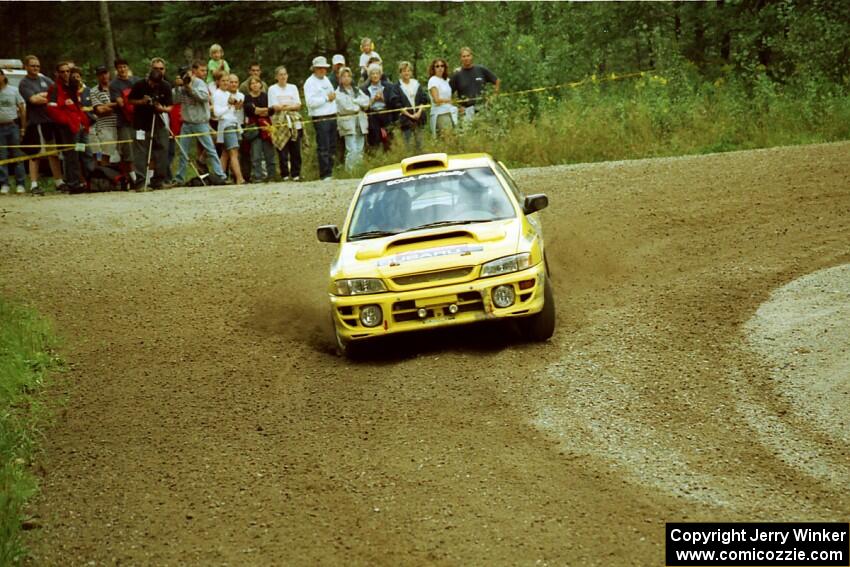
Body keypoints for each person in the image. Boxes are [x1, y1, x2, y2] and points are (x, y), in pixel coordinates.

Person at [173, 61, 227, 186]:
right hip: (186, 123)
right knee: (183, 151)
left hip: (200, 122)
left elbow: (204, 98)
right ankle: (179, 178)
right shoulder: (180, 85)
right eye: (184, 74)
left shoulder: (200, 83)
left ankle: (221, 175)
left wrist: (190, 88)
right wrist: (177, 87)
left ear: (192, 73)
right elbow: (174, 100)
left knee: (210, 149)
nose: (186, 76)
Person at [18, 55, 64, 194]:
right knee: (35, 154)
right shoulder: (24, 83)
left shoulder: (45, 79)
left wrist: (43, 96)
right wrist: (47, 97)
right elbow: (33, 100)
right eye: (32, 65)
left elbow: (57, 94)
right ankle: (33, 184)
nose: (35, 68)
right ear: (26, 67)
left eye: (37, 66)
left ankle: (59, 182)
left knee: (53, 153)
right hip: (35, 122)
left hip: (50, 121)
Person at [46, 61, 89, 193]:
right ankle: (73, 183)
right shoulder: (54, 88)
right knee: (71, 155)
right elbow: (51, 109)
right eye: (62, 71)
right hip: (67, 128)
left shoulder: (72, 86)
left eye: (67, 71)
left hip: (79, 126)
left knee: (81, 153)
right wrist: (66, 121)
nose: (65, 74)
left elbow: (77, 106)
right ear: (57, 73)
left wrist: (82, 121)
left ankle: (84, 181)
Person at [127, 69, 173, 189]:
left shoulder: (166, 86)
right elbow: (130, 100)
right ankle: (140, 182)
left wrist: (162, 109)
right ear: (148, 78)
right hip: (141, 123)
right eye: (151, 82)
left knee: (162, 149)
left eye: (155, 83)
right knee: (140, 153)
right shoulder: (139, 84)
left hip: (159, 121)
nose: (153, 85)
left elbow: (170, 107)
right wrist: (142, 101)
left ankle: (158, 180)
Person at [304, 56, 337, 180]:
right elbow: (310, 102)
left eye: (324, 68)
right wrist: (326, 99)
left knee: (332, 146)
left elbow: (332, 95)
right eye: (320, 68)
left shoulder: (327, 80)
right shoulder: (310, 82)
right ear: (314, 69)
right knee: (323, 146)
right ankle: (325, 174)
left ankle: (331, 171)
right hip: (320, 117)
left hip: (332, 115)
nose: (323, 70)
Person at [267, 66, 303, 181]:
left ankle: (296, 173)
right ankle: (285, 174)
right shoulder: (272, 89)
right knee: (282, 149)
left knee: (295, 148)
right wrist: (288, 106)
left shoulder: (293, 87)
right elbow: (275, 106)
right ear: (276, 77)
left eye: (284, 74)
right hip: (279, 120)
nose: (283, 77)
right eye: (280, 74)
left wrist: (287, 107)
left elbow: (298, 105)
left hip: (293, 119)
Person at [109, 57, 141, 184]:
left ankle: (144, 176)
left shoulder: (137, 80)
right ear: (117, 69)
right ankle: (133, 178)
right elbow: (120, 103)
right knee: (128, 150)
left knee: (140, 147)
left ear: (128, 67)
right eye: (120, 67)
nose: (122, 69)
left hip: (139, 120)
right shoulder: (114, 85)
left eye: (124, 67)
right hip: (124, 122)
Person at [450, 46, 500, 123]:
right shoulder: (457, 74)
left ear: (472, 56)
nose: (466, 58)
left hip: (483, 108)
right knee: (469, 134)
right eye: (464, 56)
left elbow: (497, 81)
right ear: (461, 58)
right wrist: (457, 107)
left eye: (468, 55)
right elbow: (448, 93)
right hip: (466, 111)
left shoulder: (480, 69)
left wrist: (493, 98)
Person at [212, 74, 245, 184]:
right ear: (218, 82)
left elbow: (232, 111)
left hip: (233, 122)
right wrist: (228, 106)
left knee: (226, 153)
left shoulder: (228, 94)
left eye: (227, 81)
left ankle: (221, 177)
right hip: (226, 124)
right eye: (223, 81)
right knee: (233, 152)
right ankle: (240, 178)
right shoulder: (217, 94)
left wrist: (236, 107)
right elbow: (217, 113)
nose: (226, 83)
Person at [335, 67, 369, 172]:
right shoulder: (338, 92)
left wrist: (354, 101)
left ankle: (359, 170)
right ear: (340, 78)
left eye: (348, 76)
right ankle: (350, 171)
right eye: (343, 76)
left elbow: (366, 101)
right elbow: (345, 107)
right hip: (347, 123)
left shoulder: (356, 90)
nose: (346, 78)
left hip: (360, 122)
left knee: (360, 148)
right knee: (352, 149)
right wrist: (358, 105)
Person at [0, 69, 27, 194]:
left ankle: (20, 183)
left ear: (3, 76)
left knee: (17, 155)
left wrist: (22, 127)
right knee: (2, 156)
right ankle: (4, 184)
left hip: (12, 126)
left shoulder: (13, 90)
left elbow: (22, 109)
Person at [243, 77, 275, 182]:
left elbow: (271, 110)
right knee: (256, 155)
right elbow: (250, 110)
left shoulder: (266, 96)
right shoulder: (247, 98)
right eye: (252, 83)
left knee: (269, 154)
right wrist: (260, 110)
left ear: (261, 84)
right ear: (249, 86)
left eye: (257, 82)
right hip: (254, 128)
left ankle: (272, 176)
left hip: (266, 127)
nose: (255, 85)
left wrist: (258, 110)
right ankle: (258, 177)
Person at [362, 63, 398, 151]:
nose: (375, 75)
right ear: (369, 75)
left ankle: (389, 155)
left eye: (377, 73)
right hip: (372, 115)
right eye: (372, 73)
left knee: (389, 139)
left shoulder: (389, 86)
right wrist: (373, 99)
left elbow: (394, 103)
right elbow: (364, 106)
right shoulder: (364, 88)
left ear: (380, 74)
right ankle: (376, 156)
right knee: (375, 139)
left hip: (386, 114)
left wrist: (383, 99)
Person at [395, 61, 428, 152]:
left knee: (420, 145)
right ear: (400, 73)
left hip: (419, 118)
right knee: (408, 146)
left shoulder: (416, 84)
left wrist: (419, 112)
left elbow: (424, 99)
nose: (406, 73)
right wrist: (410, 116)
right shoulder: (397, 86)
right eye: (404, 71)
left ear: (411, 72)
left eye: (408, 71)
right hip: (406, 120)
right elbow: (397, 104)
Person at [89, 65, 119, 166]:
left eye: (105, 73)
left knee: (124, 155)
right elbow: (100, 110)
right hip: (105, 127)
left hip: (120, 124)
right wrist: (117, 105)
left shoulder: (116, 87)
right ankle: (105, 177)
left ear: (109, 74)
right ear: (97, 76)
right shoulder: (94, 90)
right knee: (105, 154)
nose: (104, 76)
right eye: (101, 74)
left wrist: (107, 106)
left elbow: (125, 105)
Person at [427, 57, 457, 136]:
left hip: (450, 111)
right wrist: (448, 100)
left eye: (442, 66)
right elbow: (436, 100)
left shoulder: (446, 80)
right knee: (448, 138)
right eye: (437, 66)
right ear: (433, 68)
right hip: (440, 113)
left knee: (454, 138)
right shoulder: (433, 80)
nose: (440, 68)